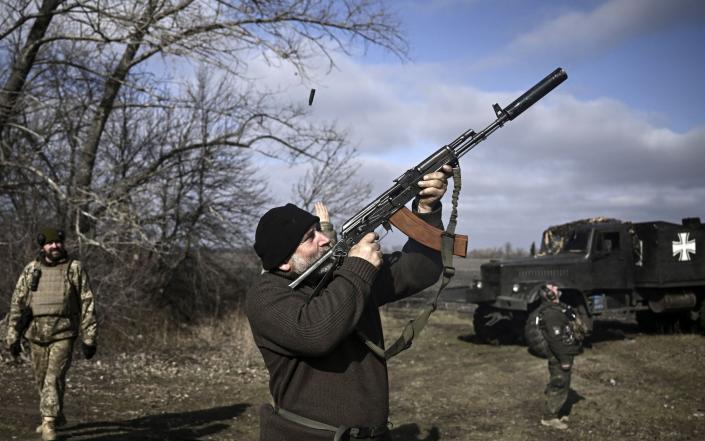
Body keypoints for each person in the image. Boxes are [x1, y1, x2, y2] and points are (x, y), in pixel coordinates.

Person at [246, 165, 453, 441]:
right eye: (310, 238)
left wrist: (427, 210)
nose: (324, 239)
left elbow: (420, 270)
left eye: (317, 229)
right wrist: (358, 267)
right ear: (284, 262)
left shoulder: (342, 273)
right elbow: (315, 332)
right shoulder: (267, 295)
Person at [4, 227, 98, 441]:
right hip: (35, 335)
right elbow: (17, 303)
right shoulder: (31, 270)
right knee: (41, 380)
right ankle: (56, 414)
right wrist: (12, 336)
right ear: (42, 246)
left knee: (52, 378)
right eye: (49, 243)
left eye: (58, 242)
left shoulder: (74, 269)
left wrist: (89, 337)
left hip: (63, 333)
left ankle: (48, 422)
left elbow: (87, 302)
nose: (55, 246)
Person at [537, 283, 581, 430]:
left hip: (564, 352)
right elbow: (555, 340)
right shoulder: (551, 314)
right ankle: (549, 417)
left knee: (563, 382)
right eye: (552, 288)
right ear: (548, 295)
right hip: (559, 355)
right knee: (559, 383)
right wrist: (563, 360)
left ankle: (558, 411)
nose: (556, 288)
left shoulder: (558, 309)